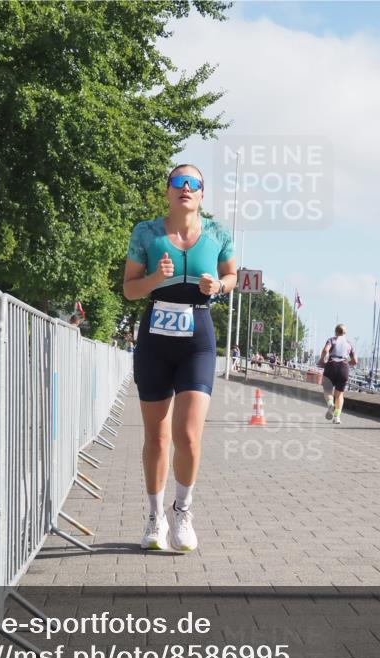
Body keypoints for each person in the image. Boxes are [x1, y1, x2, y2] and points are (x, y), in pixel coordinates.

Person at [123, 164, 236, 552]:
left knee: (187, 435)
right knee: (156, 437)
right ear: (168, 191)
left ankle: (182, 512)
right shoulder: (147, 233)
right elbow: (130, 290)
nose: (186, 188)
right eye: (178, 182)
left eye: (194, 184)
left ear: (202, 194)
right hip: (155, 335)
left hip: (198, 337)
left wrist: (219, 285)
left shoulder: (218, 233)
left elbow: (233, 275)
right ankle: (155, 519)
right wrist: (156, 279)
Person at [317, 323, 357, 425]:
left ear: (336, 332)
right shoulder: (350, 344)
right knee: (339, 395)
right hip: (343, 368)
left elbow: (326, 350)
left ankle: (331, 405)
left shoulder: (332, 340)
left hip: (331, 366)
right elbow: (355, 361)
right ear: (345, 333)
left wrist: (321, 360)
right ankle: (337, 417)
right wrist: (347, 363)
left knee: (327, 390)